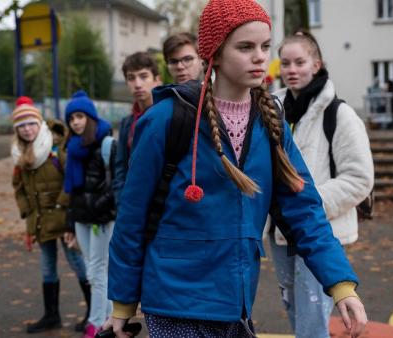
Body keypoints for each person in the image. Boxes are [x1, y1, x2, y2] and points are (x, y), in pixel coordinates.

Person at [104, 1, 368, 337]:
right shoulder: (166, 120)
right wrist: (123, 303)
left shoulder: (271, 120)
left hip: (236, 302)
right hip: (175, 302)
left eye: (264, 46)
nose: (260, 57)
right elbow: (132, 215)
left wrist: (340, 284)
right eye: (245, 47)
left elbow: (304, 210)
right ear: (214, 52)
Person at [270, 30, 374, 338]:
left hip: (319, 230)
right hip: (279, 231)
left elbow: (360, 178)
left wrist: (306, 204)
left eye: (300, 62)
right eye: (285, 63)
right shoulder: (272, 110)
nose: (291, 70)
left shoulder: (340, 114)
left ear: (317, 64)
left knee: (312, 317)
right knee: (294, 310)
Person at [10, 96, 89, 334]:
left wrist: (66, 212)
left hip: (63, 218)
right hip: (40, 220)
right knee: (47, 267)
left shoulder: (55, 146)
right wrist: (27, 216)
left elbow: (71, 178)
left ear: (39, 123)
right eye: (21, 126)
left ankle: (94, 312)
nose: (27, 129)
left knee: (77, 263)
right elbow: (19, 188)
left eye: (30, 123)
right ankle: (51, 315)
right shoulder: (19, 154)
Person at [62, 90, 116, 338]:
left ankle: (95, 325)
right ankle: (107, 321)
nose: (75, 122)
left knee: (96, 270)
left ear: (90, 117)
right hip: (82, 219)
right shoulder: (73, 148)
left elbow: (116, 185)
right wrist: (69, 225)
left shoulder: (106, 143)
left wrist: (98, 208)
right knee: (93, 270)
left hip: (102, 219)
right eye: (71, 119)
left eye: (80, 116)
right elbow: (72, 192)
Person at [113, 52, 162, 201]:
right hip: (132, 202)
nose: (137, 84)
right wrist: (120, 198)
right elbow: (121, 166)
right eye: (131, 78)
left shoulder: (167, 115)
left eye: (143, 76)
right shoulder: (126, 123)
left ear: (157, 80)